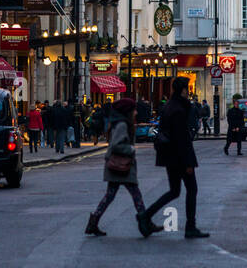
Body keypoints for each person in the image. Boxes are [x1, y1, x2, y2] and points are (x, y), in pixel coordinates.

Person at [139, 76, 209, 239]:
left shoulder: (170, 106)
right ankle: (190, 227)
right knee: (191, 189)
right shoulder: (178, 109)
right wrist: (188, 163)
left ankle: (145, 215)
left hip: (170, 156)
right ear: (183, 90)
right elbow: (182, 138)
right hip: (179, 157)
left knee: (174, 191)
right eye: (187, 88)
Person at [85, 98, 151, 236]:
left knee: (111, 195)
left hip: (117, 165)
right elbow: (116, 145)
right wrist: (131, 150)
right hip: (121, 165)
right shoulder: (122, 125)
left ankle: (93, 222)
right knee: (135, 194)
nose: (136, 112)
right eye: (134, 109)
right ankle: (145, 223)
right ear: (128, 111)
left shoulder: (121, 123)